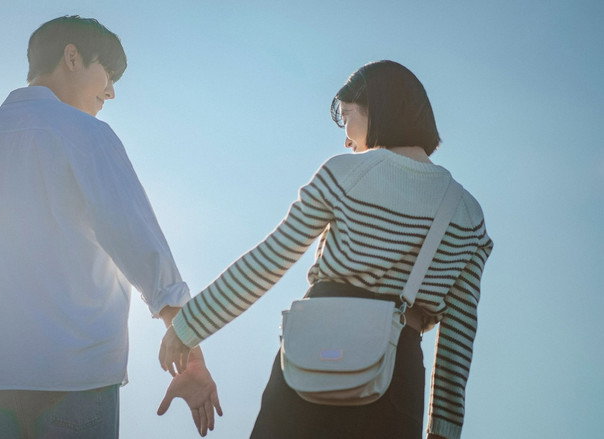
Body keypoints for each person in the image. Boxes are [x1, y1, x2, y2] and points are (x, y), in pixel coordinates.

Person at [0, 16, 221, 439]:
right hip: (73, 377)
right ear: (72, 57)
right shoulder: (84, 133)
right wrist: (190, 346)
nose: (111, 92)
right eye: (108, 73)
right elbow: (138, 241)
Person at [159, 60, 493, 439]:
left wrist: (188, 326)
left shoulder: (346, 172)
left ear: (376, 109)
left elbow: (271, 257)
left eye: (347, 116)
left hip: (315, 352)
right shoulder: (467, 212)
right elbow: (459, 332)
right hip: (398, 373)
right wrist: (444, 429)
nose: (346, 139)